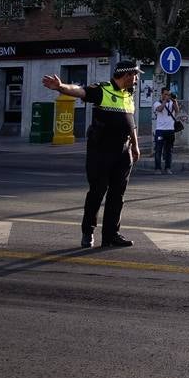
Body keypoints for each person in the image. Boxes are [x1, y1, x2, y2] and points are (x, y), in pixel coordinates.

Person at [42, 59, 141, 248]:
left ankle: (111, 235)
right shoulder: (102, 90)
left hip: (123, 152)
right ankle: (88, 232)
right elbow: (80, 91)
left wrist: (135, 146)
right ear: (126, 74)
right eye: (134, 75)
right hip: (101, 152)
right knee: (97, 192)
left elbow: (131, 123)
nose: (136, 80)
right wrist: (61, 87)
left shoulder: (128, 95)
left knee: (117, 196)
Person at [152, 87, 180, 174]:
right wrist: (165, 101)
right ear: (162, 94)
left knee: (169, 150)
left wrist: (175, 101)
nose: (167, 96)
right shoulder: (157, 103)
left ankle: (168, 168)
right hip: (160, 130)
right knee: (158, 150)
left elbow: (177, 111)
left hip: (170, 130)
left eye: (169, 94)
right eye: (165, 94)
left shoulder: (172, 103)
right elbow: (160, 109)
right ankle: (157, 168)